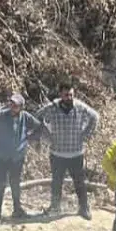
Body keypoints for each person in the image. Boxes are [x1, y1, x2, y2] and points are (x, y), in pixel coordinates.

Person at [35, 83, 99, 219]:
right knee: (56, 182)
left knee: (80, 182)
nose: (69, 97)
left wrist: (85, 135)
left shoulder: (80, 107)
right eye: (66, 95)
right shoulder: (52, 108)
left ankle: (84, 208)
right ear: (60, 95)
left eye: (71, 94)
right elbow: (36, 118)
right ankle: (55, 207)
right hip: (57, 153)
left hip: (76, 153)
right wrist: (47, 135)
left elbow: (95, 117)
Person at [0, 94, 41, 226]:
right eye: (11, 103)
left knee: (15, 184)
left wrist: (28, 138)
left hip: (17, 157)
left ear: (21, 107)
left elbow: (39, 127)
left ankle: (17, 210)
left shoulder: (26, 117)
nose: (12, 107)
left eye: (16, 105)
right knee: (0, 185)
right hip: (1, 156)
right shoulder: (0, 115)